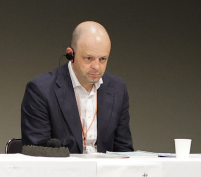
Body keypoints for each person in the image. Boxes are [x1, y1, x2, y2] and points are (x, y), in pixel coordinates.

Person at [20, 21, 133, 154]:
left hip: (106, 173)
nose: (96, 66)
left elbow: (124, 150)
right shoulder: (41, 90)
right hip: (61, 172)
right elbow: (38, 152)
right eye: (89, 58)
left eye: (102, 59)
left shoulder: (117, 89)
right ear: (70, 54)